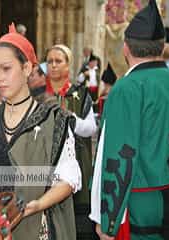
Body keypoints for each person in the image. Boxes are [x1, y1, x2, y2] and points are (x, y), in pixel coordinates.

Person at [0, 23, 82, 239]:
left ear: (26, 68)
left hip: (38, 226)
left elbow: (68, 177)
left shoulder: (54, 119)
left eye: (6, 69)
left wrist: (37, 205)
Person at [90, 1, 169, 239]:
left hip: (138, 201)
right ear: (162, 47)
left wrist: (108, 220)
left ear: (125, 48)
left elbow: (116, 154)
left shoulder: (124, 89)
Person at [45, 44, 97, 239]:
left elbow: (91, 128)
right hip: (44, 163)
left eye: (58, 61)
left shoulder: (80, 92)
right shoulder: (38, 94)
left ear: (68, 65)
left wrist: (70, 118)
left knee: (77, 224)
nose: (53, 65)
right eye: (49, 61)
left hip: (75, 161)